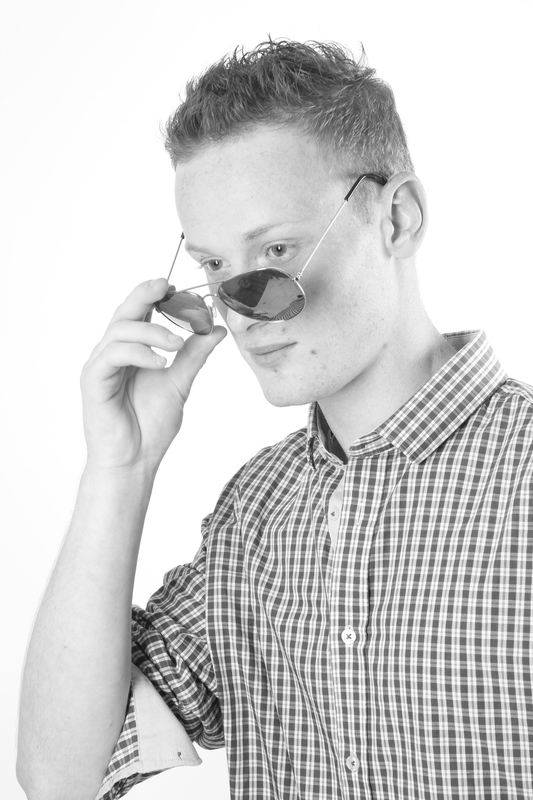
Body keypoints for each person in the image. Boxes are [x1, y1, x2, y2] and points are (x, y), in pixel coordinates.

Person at [17, 38, 533, 800]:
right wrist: (120, 469)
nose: (242, 313)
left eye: (277, 251)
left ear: (397, 219)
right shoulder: (251, 517)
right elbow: (63, 779)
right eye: (215, 269)